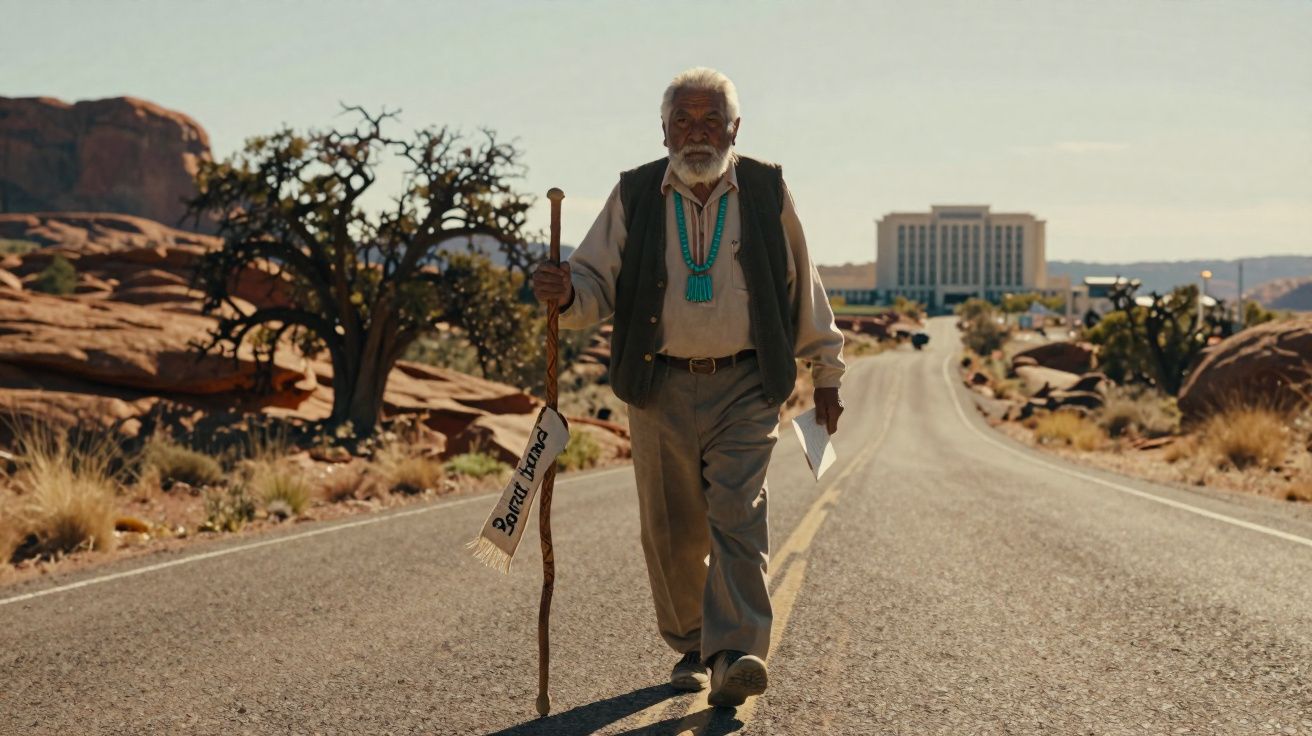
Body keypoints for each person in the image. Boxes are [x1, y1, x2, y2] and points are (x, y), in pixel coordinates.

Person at [531, 67, 845, 708]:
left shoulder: (764, 187)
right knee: (671, 530)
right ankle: (690, 644)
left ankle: (735, 653)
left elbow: (801, 286)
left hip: (748, 382)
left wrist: (826, 372)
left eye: (710, 120)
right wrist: (567, 293)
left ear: (735, 128)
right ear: (664, 128)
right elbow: (594, 283)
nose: (696, 133)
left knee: (738, 515)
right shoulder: (636, 192)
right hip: (658, 384)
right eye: (683, 120)